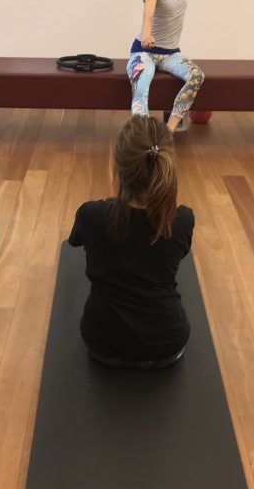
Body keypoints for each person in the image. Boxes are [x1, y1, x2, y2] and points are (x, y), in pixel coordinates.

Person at [67, 115, 194, 367]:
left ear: (119, 168)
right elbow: (179, 253)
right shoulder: (181, 220)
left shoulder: (92, 215)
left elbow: (74, 241)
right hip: (167, 346)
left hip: (102, 343)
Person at [127, 0, 204, 134]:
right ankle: (143, 138)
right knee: (141, 88)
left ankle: (168, 131)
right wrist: (146, 33)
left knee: (196, 76)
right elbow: (149, 13)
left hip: (170, 53)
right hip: (144, 52)